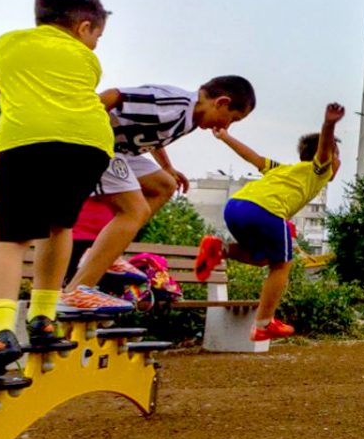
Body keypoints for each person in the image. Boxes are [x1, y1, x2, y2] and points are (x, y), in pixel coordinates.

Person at [0, 0, 119, 383]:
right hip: (90, 144)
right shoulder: (86, 61)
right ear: (85, 27)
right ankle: (43, 319)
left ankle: (0, 333)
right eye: (97, 37)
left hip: (25, 142)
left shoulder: (6, 45)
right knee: (59, 224)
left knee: (5, 238)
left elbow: (3, 94)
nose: (96, 46)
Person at [61, 77, 256, 307]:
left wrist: (167, 167)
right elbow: (113, 96)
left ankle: (103, 252)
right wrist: (74, 129)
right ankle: (78, 289)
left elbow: (151, 133)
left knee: (164, 185)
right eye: (232, 119)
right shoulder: (173, 104)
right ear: (221, 102)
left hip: (119, 150)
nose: (226, 127)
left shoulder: (190, 119)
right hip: (95, 143)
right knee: (134, 210)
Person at [196, 103, 344, 341]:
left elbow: (253, 157)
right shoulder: (318, 170)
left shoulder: (282, 169)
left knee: (263, 258)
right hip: (266, 211)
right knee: (282, 264)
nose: (338, 162)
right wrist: (329, 124)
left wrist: (225, 137)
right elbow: (325, 149)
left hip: (236, 207)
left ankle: (219, 248)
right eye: (337, 155)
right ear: (328, 155)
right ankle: (264, 323)